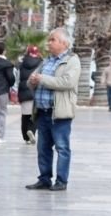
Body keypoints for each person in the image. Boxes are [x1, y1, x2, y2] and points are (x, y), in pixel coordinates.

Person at [25, 28, 79, 192]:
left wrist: (42, 79)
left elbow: (67, 82)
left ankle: (61, 181)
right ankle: (44, 179)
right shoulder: (47, 60)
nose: (49, 43)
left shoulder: (72, 61)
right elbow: (31, 80)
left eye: (52, 40)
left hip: (59, 113)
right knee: (43, 147)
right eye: (49, 40)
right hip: (42, 111)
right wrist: (33, 81)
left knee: (62, 147)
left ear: (64, 43)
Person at [0, 42, 15, 143]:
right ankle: (0, 136)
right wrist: (9, 85)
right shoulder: (7, 64)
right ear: (3, 51)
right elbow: (11, 78)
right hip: (3, 91)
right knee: (1, 113)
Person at [17, 45, 42, 144]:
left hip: (24, 92)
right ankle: (31, 130)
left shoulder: (22, 63)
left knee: (25, 115)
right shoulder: (41, 63)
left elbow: (17, 78)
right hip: (35, 91)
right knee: (35, 114)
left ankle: (25, 137)